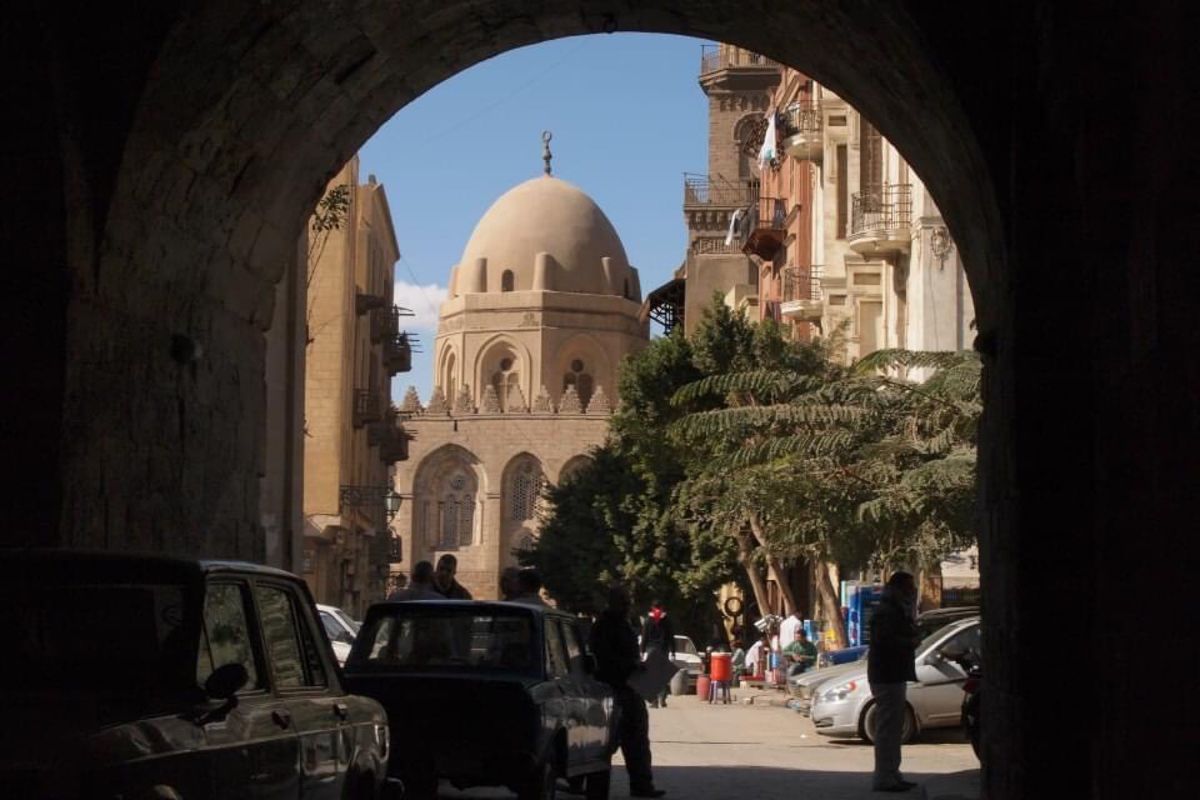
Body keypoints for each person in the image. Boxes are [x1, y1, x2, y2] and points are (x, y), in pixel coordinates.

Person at [589, 584, 666, 798]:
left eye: (628, 602)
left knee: (638, 741)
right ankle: (597, 789)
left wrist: (638, 666)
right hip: (611, 690)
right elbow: (603, 659)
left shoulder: (623, 624)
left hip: (630, 689)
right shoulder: (604, 626)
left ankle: (642, 785)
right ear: (614, 603)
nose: (628, 606)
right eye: (624, 602)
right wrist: (631, 666)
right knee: (605, 744)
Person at [867, 571, 920, 793]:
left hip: (893, 674)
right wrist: (910, 641)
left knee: (892, 727)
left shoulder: (895, 610)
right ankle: (884, 777)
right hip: (887, 675)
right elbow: (886, 641)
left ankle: (892, 773)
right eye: (909, 588)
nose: (912, 592)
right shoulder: (888, 611)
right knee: (888, 729)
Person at [640, 602, 676, 708]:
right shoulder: (667, 621)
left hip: (651, 650)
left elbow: (644, 637)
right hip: (664, 650)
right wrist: (673, 652)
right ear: (662, 607)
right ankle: (663, 699)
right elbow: (671, 637)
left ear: (652, 608)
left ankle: (654, 701)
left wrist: (642, 651)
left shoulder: (648, 621)